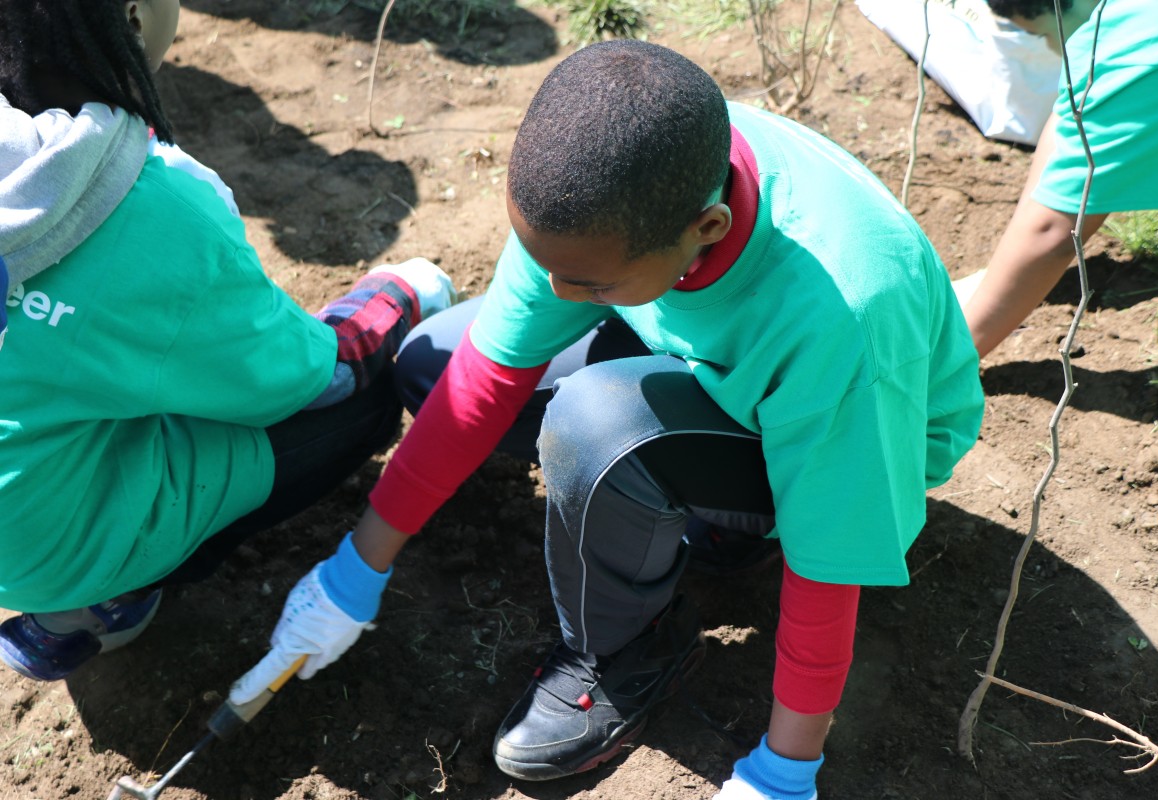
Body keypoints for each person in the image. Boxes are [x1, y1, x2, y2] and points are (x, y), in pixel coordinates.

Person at [232, 41, 984, 799]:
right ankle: (657, 500)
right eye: (542, 259)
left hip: (855, 442)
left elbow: (829, 567)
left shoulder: (839, 317)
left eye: (584, 279)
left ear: (709, 228)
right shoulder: (612, 185)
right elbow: (482, 380)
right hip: (704, 350)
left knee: (595, 427)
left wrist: (785, 771)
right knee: (433, 360)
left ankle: (631, 641)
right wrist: (352, 571)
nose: (554, 286)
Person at [0, 0, 454, 684]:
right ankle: (95, 600)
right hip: (44, 551)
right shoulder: (151, 210)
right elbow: (311, 376)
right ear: (132, 18)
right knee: (362, 402)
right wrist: (400, 292)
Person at [954, 0, 1158, 358]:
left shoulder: (1140, 49)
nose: (1052, 50)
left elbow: (1053, 230)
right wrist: (998, 270)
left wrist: (953, 358)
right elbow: (1071, 120)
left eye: (1038, 35)